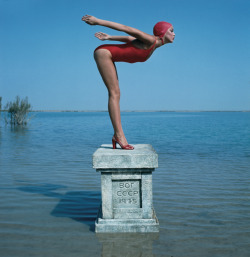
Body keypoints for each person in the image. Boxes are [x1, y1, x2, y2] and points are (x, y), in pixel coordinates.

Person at [82, 15, 175, 150]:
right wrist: (98, 21)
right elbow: (127, 29)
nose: (174, 34)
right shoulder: (150, 40)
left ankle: (117, 136)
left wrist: (109, 37)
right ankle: (119, 136)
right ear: (163, 32)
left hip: (108, 53)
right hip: (104, 53)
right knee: (115, 93)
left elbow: (129, 39)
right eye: (171, 30)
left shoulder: (152, 45)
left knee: (116, 93)